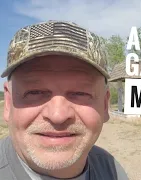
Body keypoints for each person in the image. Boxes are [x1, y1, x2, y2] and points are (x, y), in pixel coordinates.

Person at [0, 20, 129, 180]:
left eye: (81, 93)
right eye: (34, 91)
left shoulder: (112, 170)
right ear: (8, 103)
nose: (58, 115)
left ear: (104, 105)